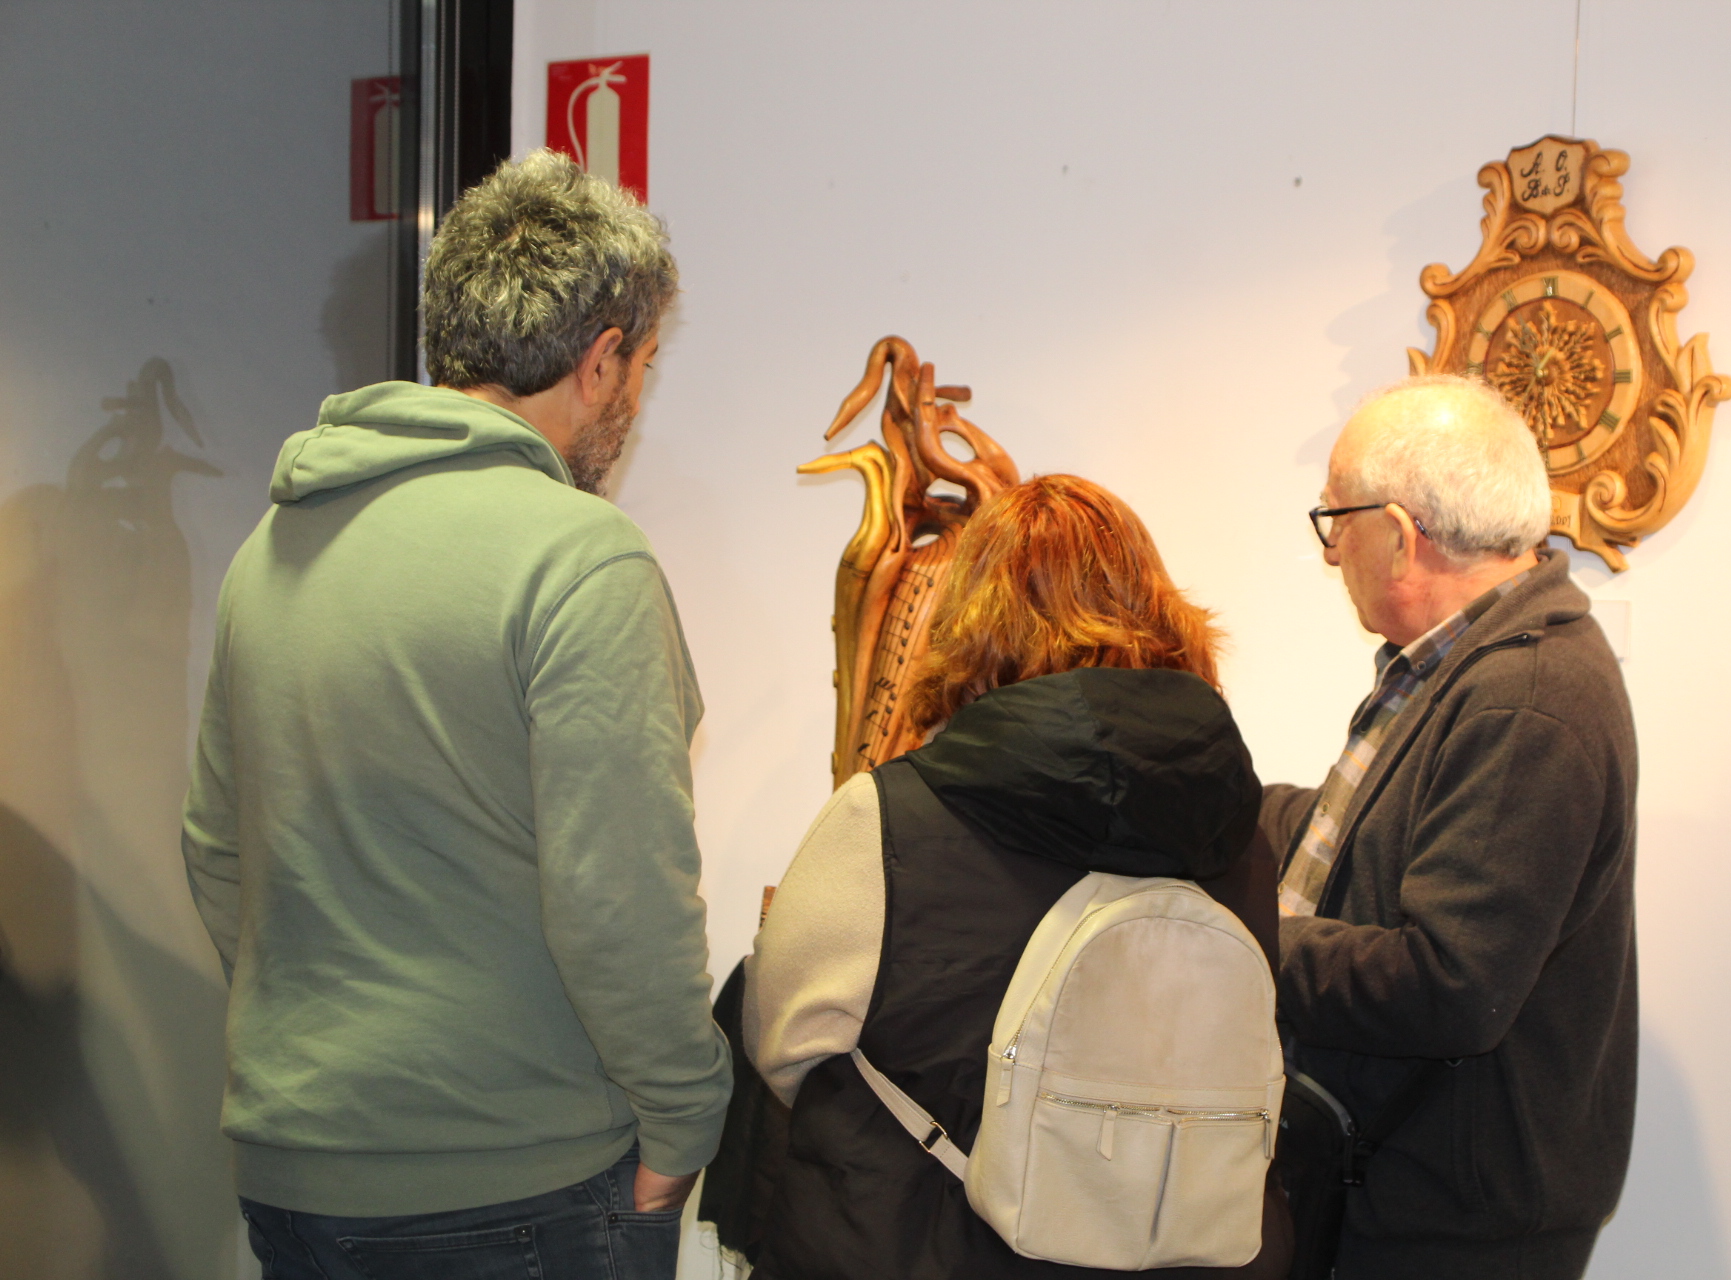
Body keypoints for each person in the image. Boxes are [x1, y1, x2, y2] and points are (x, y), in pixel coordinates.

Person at [180, 150, 730, 1279]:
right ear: (600, 359)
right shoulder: (581, 558)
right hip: (517, 1181)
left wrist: (338, 1048)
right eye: (641, 365)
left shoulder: (272, 548)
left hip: (297, 1176)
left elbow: (215, 849)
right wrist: (684, 1121)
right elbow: (619, 895)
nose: (633, 402)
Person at [742, 474, 1289, 1279]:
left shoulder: (885, 817)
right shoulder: (1237, 835)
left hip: (909, 1241)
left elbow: (783, 1043)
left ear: (970, 621)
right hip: (1168, 1255)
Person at [1264, 375, 1637, 1279]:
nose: (1331, 554)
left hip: (1453, 1224)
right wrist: (1213, 805)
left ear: (1400, 533)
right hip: (1416, 1189)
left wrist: (1236, 941)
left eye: (1335, 520)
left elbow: (1448, 984)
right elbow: (1363, 836)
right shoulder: (1460, 667)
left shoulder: (1525, 699)